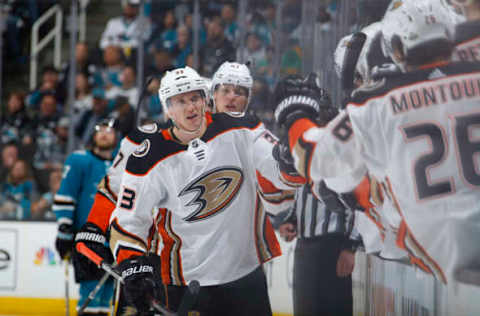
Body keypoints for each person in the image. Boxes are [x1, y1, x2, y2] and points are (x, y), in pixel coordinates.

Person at [273, 1, 480, 284]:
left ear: (394, 49)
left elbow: (313, 158)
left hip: (429, 259)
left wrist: (295, 116)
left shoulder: (376, 104)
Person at [108, 66, 294, 315]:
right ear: (168, 109)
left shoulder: (241, 128)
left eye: (195, 98)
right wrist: (132, 266)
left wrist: (294, 152)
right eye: (180, 101)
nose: (191, 107)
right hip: (187, 283)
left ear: (206, 100)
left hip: (245, 275)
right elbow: (127, 223)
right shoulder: (148, 157)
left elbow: (283, 175)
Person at [53, 119, 117, 315]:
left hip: (115, 241)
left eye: (110, 130)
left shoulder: (121, 164)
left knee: (107, 297)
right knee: (90, 293)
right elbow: (66, 194)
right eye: (100, 130)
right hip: (87, 239)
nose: (104, 133)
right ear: (93, 135)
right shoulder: (79, 160)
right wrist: (64, 228)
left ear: (117, 136)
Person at [278, 181, 361, 316]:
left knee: (333, 309)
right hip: (304, 248)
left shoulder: (336, 162)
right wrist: (291, 221)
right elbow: (300, 196)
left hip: (332, 246)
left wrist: (351, 246)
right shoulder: (301, 163)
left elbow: (358, 202)